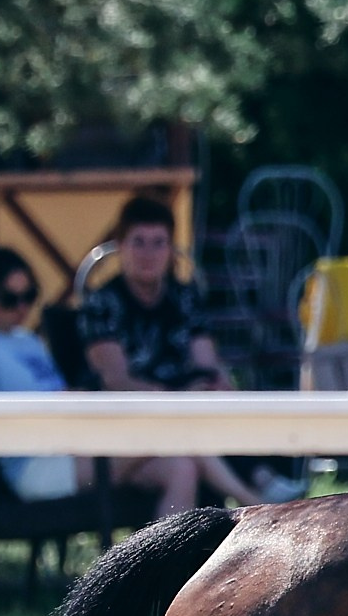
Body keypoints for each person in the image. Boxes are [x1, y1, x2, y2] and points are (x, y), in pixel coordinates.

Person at [73, 196, 298, 508]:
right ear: (120, 246)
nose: (148, 253)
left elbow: (206, 361)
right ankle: (258, 497)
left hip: (188, 407)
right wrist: (179, 396)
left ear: (171, 249)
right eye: (138, 242)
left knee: (222, 405)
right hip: (130, 420)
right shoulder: (101, 304)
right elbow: (116, 380)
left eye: (158, 243)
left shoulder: (184, 298)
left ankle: (259, 489)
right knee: (189, 425)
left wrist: (220, 387)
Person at [0, 247, 85, 502]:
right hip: (33, 466)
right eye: (9, 299)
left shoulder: (28, 340)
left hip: (71, 449)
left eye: (30, 295)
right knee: (163, 458)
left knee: (173, 465)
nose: (22, 307)